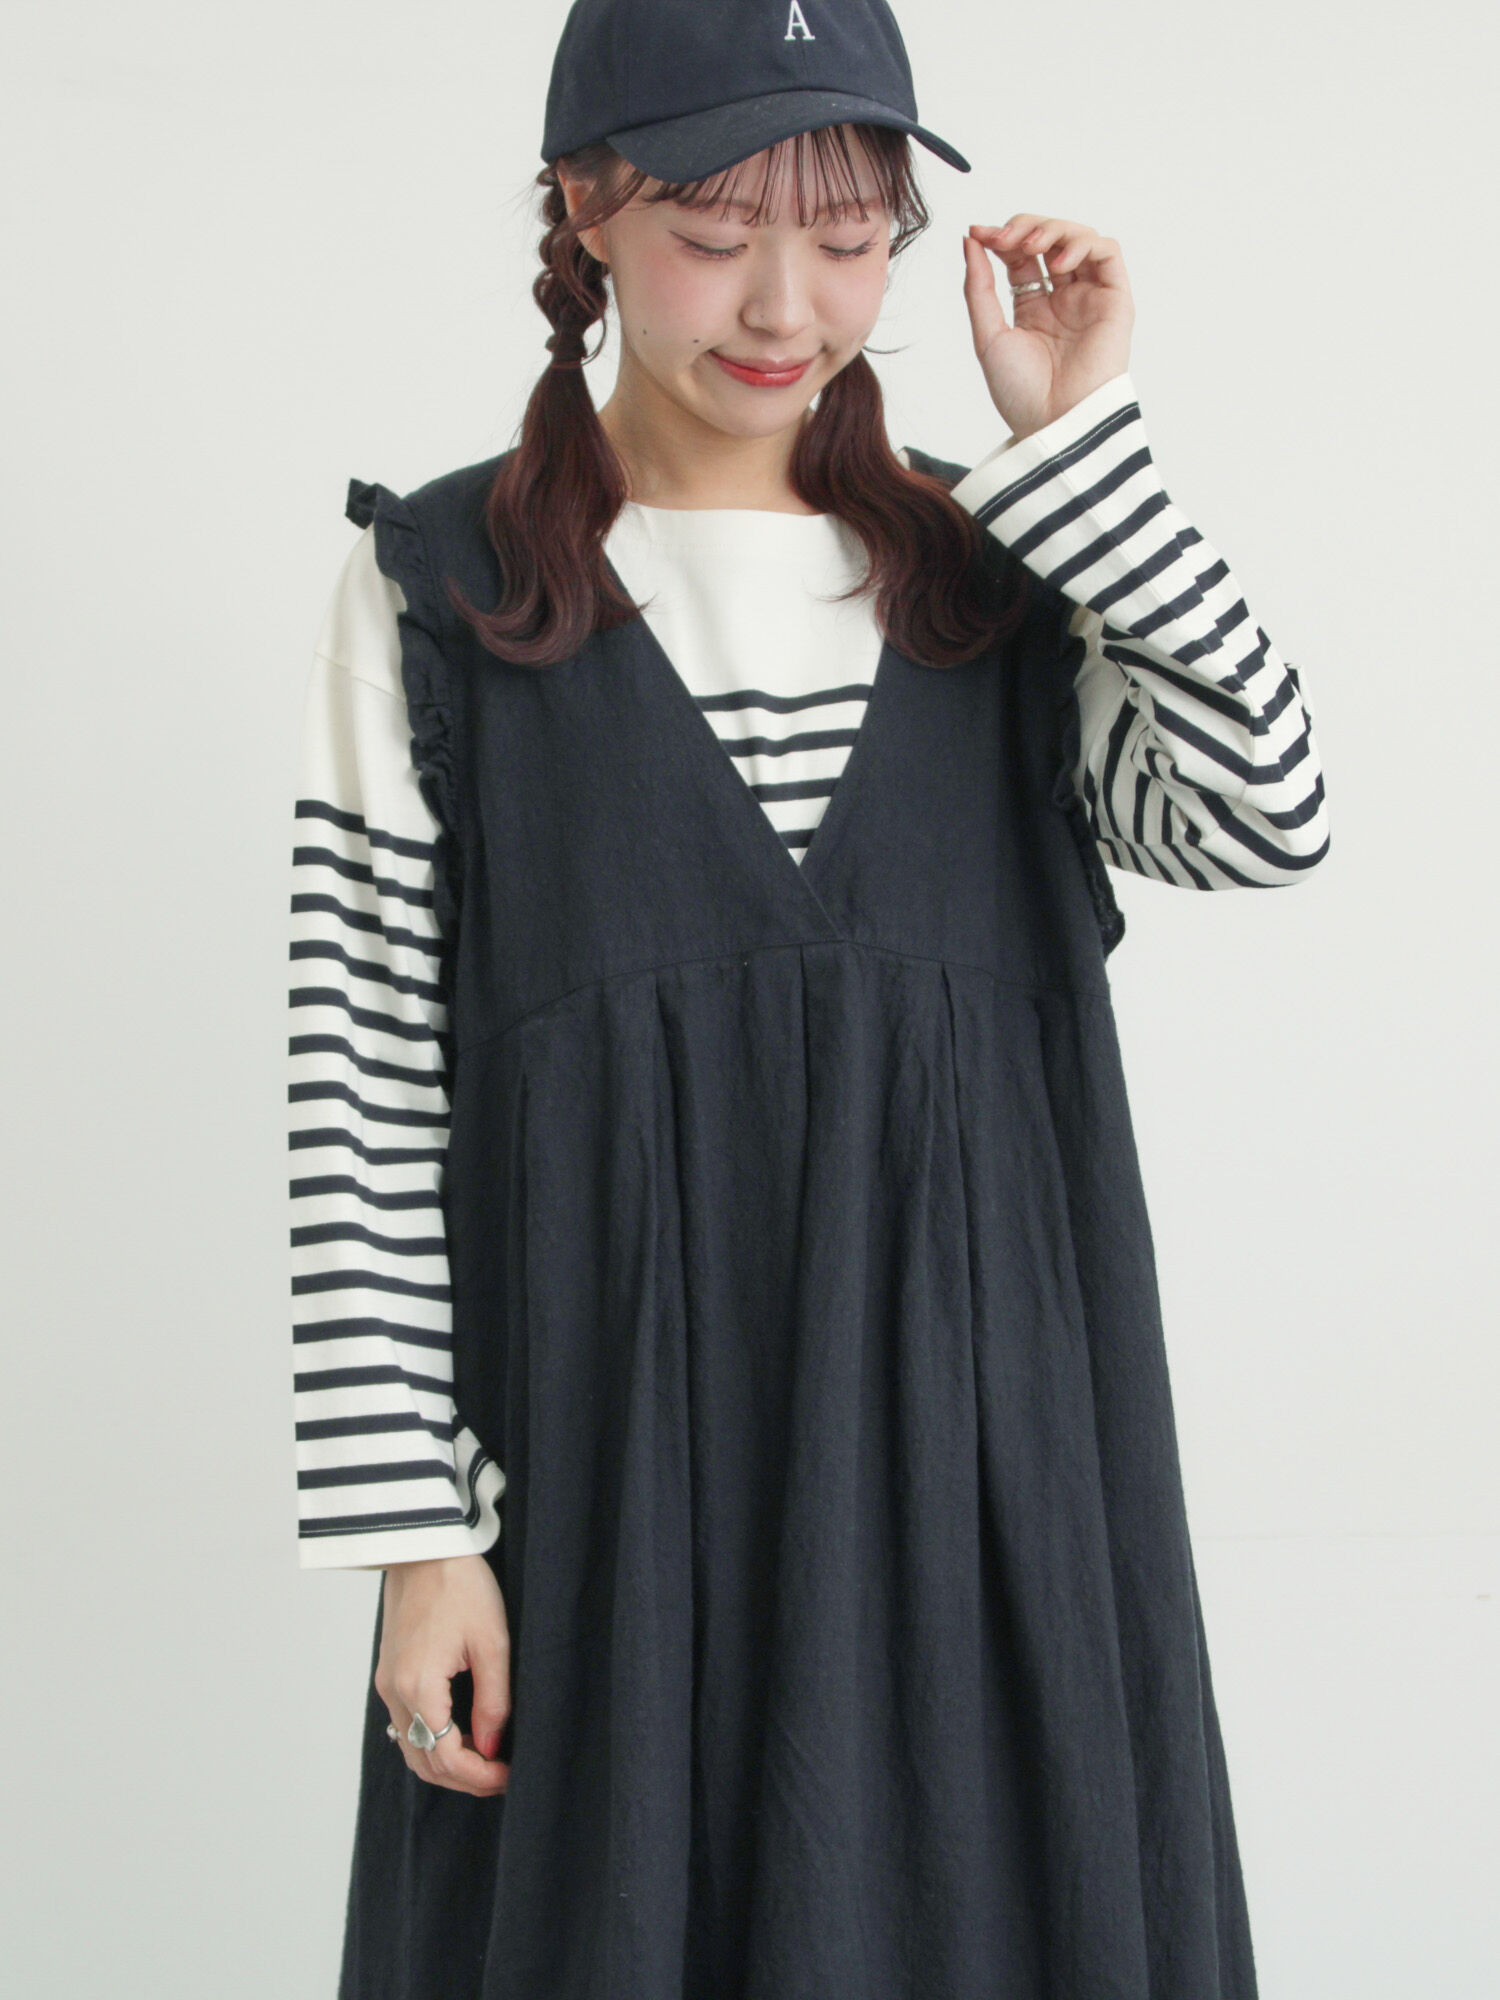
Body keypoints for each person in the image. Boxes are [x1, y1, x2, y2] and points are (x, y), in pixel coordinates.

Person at [287, 1, 1329, 1993]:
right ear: (585, 207)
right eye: (713, 229)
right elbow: (358, 1092)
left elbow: (1267, 815)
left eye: (851, 238)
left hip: (994, 1488)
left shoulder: (999, 578)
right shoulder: (442, 590)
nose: (789, 305)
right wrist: (418, 1543)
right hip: (606, 1491)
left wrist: (1079, 452)